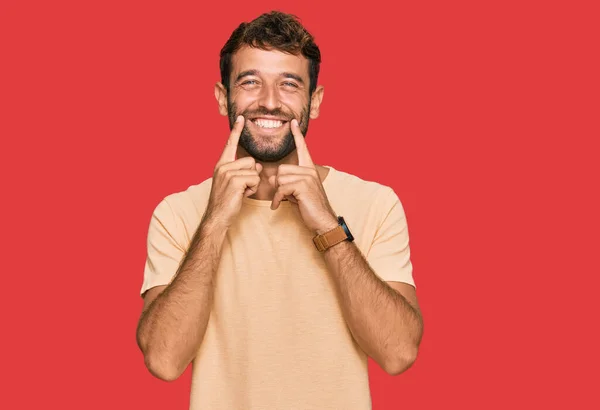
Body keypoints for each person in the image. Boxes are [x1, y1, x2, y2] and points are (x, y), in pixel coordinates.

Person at [136, 10, 423, 410]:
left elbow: (398, 353)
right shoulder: (178, 213)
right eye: (250, 82)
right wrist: (215, 221)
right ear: (223, 98)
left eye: (289, 84)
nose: (269, 102)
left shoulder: (376, 203)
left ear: (315, 101)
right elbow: (164, 361)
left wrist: (327, 223)